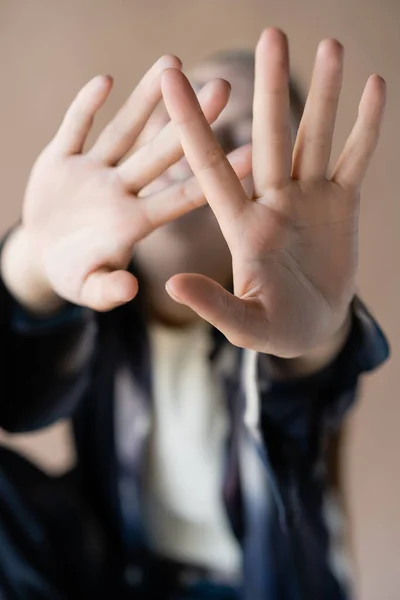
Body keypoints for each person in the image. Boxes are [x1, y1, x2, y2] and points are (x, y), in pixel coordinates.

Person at [0, 27, 389, 600]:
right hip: (110, 569)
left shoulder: (283, 322)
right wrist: (32, 259)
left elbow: (309, 389)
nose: (200, 141)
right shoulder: (96, 306)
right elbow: (17, 397)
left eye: (248, 132)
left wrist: (317, 339)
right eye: (187, 108)